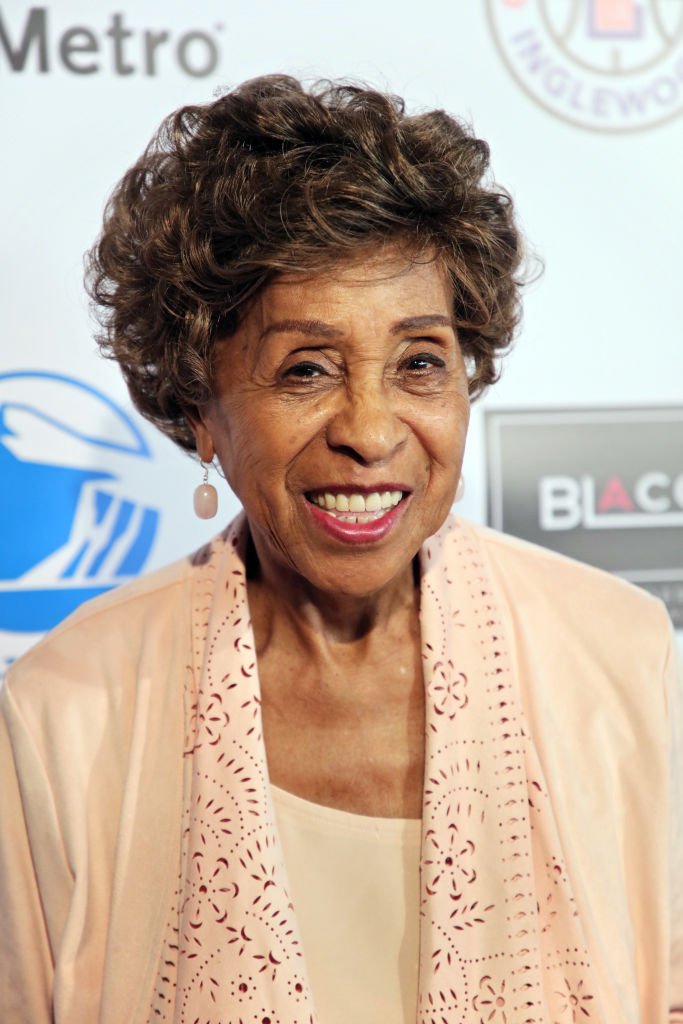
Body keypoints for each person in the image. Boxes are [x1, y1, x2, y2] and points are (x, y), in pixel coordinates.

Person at [0, 75, 681, 1024]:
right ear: (201, 408)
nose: (371, 429)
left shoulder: (622, 657)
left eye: (418, 363)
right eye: (306, 369)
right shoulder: (67, 711)